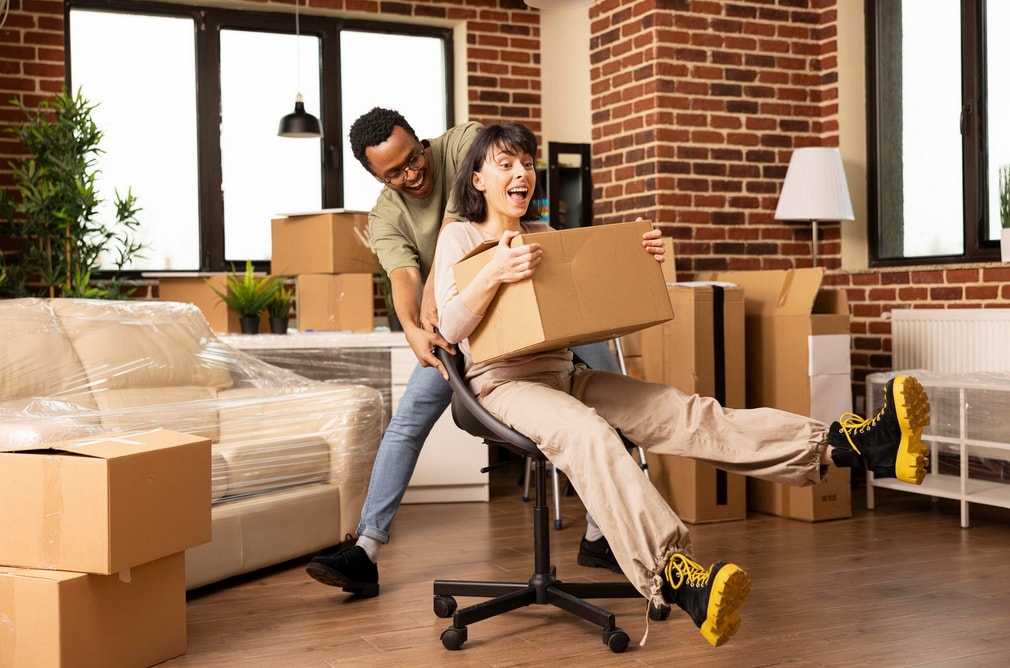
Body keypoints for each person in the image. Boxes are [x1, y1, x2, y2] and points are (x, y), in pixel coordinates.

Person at [432, 123, 932, 647]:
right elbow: (451, 328)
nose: (521, 174)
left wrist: (636, 263)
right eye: (507, 164)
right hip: (501, 387)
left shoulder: (551, 238)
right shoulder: (460, 237)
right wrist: (495, 271)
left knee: (683, 412)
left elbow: (594, 316)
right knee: (588, 433)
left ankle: (849, 446)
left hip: (563, 373)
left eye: (527, 164)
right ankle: (674, 575)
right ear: (479, 178)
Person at [304, 109, 621, 599]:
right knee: (407, 419)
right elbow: (404, 279)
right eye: (395, 173)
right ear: (376, 178)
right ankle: (365, 551)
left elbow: (459, 220)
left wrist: (436, 289)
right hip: (469, 327)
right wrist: (413, 328)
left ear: (422, 142)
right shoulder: (385, 216)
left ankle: (601, 534)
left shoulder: (464, 144)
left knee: (610, 382)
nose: (412, 174)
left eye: (414, 158)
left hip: (534, 295)